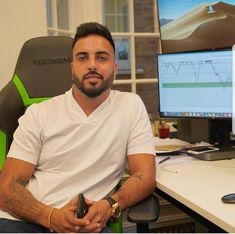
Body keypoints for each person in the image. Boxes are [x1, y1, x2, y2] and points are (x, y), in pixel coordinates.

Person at [0, 22, 156, 233]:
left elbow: (145, 177)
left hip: (88, 225)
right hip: (24, 221)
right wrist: (50, 217)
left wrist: (110, 205)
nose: (92, 65)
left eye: (101, 57)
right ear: (72, 67)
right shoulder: (39, 113)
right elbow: (7, 188)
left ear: (115, 68)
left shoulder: (130, 106)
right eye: (83, 58)